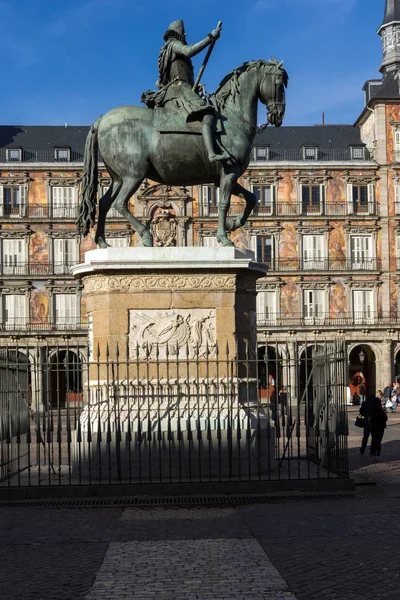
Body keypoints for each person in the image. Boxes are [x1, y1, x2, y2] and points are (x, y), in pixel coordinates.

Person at [146, 19, 229, 164]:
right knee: (207, 114)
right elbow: (189, 51)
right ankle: (211, 154)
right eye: (183, 32)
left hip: (179, 89)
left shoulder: (167, 49)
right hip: (179, 90)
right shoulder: (174, 44)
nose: (185, 34)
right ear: (177, 33)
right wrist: (210, 37)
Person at [360, 394, 388, 460]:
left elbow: (361, 411)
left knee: (365, 436)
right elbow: (385, 417)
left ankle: (362, 449)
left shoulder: (365, 402)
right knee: (375, 439)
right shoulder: (378, 405)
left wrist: (366, 415)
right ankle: (373, 452)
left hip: (368, 421)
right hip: (377, 423)